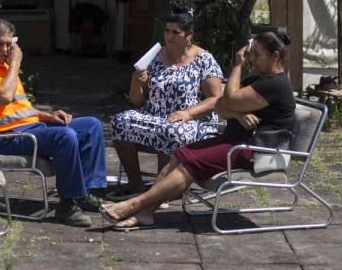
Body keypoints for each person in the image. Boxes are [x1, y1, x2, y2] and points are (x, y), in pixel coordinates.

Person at [100, 30, 296, 229]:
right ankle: (146, 214)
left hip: (252, 150)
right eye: (251, 54)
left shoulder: (275, 85)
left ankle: (132, 205)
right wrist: (237, 114)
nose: (252, 60)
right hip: (233, 142)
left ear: (276, 56)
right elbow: (220, 107)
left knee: (189, 165)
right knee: (179, 154)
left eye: (257, 55)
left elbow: (229, 99)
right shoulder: (258, 80)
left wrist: (238, 66)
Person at [0, 18, 107, 227]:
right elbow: (4, 97)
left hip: (31, 128)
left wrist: (47, 116)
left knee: (91, 126)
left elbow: (20, 108)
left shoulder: (4, 69)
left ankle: (84, 192)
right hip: (5, 138)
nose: (4, 49)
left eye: (8, 44)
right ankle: (67, 206)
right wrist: (15, 63)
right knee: (65, 136)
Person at [108, 4, 224, 199]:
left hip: (191, 120)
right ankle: (135, 184)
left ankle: (160, 191)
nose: (169, 36)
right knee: (120, 121)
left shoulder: (204, 59)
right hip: (153, 115)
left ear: (189, 35)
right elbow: (137, 101)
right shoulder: (155, 55)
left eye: (175, 32)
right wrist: (137, 80)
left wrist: (188, 113)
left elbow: (216, 98)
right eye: (167, 31)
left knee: (169, 129)